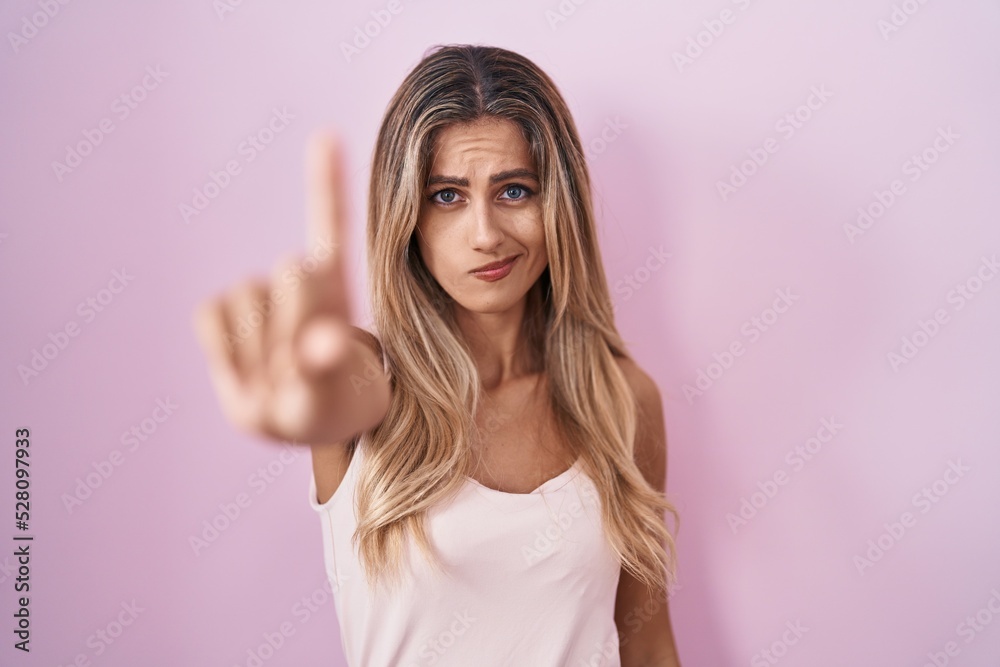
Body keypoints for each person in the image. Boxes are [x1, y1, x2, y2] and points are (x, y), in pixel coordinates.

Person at [193, 43, 681, 666]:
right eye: (447, 196)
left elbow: (648, 646)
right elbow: (334, 388)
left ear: (558, 204)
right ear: (408, 219)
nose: (486, 234)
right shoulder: (372, 379)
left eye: (515, 190)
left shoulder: (623, 399)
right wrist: (301, 397)